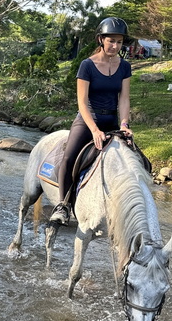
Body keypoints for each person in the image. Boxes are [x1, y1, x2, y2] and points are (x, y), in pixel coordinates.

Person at [50, 17, 134, 224]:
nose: (115, 46)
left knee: (132, 160)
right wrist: (95, 130)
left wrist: (124, 125)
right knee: (69, 157)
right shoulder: (87, 65)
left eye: (119, 42)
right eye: (111, 41)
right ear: (101, 40)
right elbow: (82, 102)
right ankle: (63, 205)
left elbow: (123, 98)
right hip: (88, 120)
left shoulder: (125, 67)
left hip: (112, 121)